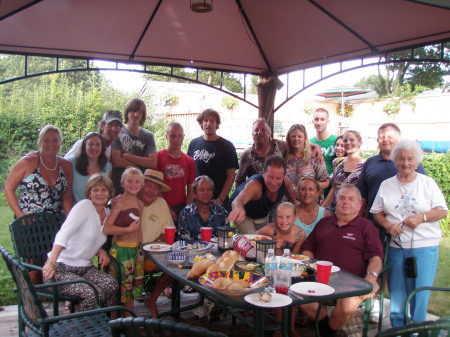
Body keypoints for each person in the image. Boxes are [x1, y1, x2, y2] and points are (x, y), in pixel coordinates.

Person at [370, 140, 447, 327]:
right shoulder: (386, 185)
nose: (405, 163)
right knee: (397, 293)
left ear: (417, 161)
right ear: (395, 160)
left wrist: (422, 217)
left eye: (410, 159)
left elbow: (442, 211)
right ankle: (398, 329)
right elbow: (377, 212)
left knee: (419, 293)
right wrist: (388, 225)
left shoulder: (427, 183)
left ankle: (417, 329)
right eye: (401, 159)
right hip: (397, 246)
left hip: (424, 246)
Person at [357, 123, 425, 323]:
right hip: (374, 223)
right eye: (381, 136)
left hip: (401, 228)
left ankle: (395, 306)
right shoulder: (370, 163)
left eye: (390, 136)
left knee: (395, 269)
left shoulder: (412, 163)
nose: (385, 139)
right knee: (374, 261)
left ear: (398, 139)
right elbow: (362, 195)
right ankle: (376, 304)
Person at [300, 184, 383, 337]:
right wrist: (307, 267)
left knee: (348, 303)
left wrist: (371, 278)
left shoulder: (366, 227)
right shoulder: (324, 223)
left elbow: (375, 257)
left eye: (351, 199)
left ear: (359, 205)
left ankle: (327, 331)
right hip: (320, 277)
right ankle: (328, 329)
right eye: (342, 198)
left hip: (352, 282)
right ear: (336, 202)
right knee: (299, 294)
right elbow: (308, 248)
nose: (346, 202)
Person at [41, 173, 118, 311]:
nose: (100, 193)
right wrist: (51, 262)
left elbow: (90, 237)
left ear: (110, 193)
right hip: (60, 268)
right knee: (91, 292)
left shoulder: (107, 214)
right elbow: (63, 235)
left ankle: (95, 319)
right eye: (95, 190)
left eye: (104, 190)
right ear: (89, 193)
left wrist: (101, 251)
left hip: (85, 268)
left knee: (111, 284)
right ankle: (80, 327)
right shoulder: (84, 206)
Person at [4, 124, 73, 218]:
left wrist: (70, 220)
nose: (51, 144)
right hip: (28, 222)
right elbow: (8, 189)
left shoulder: (66, 165)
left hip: (54, 223)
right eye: (46, 140)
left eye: (55, 140)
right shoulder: (27, 161)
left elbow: (67, 196)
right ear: (40, 142)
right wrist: (20, 216)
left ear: (60, 143)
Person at [104, 167, 144, 314]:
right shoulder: (118, 203)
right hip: (120, 250)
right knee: (118, 287)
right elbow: (108, 228)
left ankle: (129, 318)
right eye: (130, 181)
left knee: (132, 286)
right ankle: (114, 319)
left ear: (141, 184)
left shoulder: (140, 204)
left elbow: (139, 228)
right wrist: (127, 230)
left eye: (137, 181)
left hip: (136, 250)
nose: (134, 184)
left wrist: (142, 248)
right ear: (122, 183)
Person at [187, 108, 239, 210]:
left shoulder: (227, 146)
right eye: (205, 120)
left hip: (218, 202)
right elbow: (189, 174)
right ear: (201, 124)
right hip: (197, 202)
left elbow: (231, 176)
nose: (208, 124)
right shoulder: (194, 144)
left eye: (212, 120)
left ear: (217, 124)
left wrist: (220, 199)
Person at [229, 155, 290, 234]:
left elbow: (291, 196)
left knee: (264, 240)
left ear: (283, 176)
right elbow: (238, 200)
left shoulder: (286, 182)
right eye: (270, 177)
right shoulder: (255, 185)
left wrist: (295, 203)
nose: (274, 183)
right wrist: (238, 207)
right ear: (263, 173)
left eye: (278, 178)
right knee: (251, 242)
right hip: (244, 216)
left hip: (263, 215)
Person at [111, 98, 157, 195]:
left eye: (139, 111)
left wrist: (128, 156)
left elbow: (152, 163)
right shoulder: (118, 132)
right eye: (133, 110)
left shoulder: (148, 136)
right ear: (127, 112)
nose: (136, 114)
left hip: (140, 190)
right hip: (119, 189)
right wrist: (143, 161)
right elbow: (116, 162)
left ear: (143, 115)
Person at [156, 122, 196, 222]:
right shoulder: (158, 157)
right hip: (160, 204)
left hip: (181, 208)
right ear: (166, 137)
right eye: (172, 136)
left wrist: (186, 210)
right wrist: (167, 209)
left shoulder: (189, 161)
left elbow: (190, 189)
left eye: (179, 136)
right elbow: (155, 186)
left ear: (183, 137)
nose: (176, 139)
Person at [235, 118, 286, 187]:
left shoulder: (281, 145)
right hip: (257, 196)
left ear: (269, 132)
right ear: (252, 135)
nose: (259, 132)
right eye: (256, 130)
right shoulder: (246, 155)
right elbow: (239, 181)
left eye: (263, 129)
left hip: (280, 194)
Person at [322, 130, 365, 211]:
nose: (348, 143)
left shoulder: (366, 165)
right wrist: (322, 209)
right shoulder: (337, 162)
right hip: (336, 208)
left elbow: (365, 195)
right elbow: (334, 188)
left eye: (351, 140)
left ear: (360, 143)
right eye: (345, 140)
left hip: (354, 210)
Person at [285, 124, 329, 201]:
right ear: (289, 138)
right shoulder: (284, 155)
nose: (296, 139)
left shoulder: (314, 156)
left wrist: (309, 187)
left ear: (305, 138)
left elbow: (326, 182)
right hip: (290, 202)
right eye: (293, 136)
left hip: (311, 202)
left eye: (299, 136)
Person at [178, 175, 229, 241]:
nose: (206, 193)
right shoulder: (185, 213)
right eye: (201, 190)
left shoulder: (222, 212)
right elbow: (181, 242)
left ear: (212, 193)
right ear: (194, 194)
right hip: (192, 251)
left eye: (209, 189)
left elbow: (227, 239)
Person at [66, 132, 112, 204]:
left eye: (97, 144)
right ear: (84, 146)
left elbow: (107, 195)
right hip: (75, 210)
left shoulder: (107, 167)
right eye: (91, 144)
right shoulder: (71, 163)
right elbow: (66, 195)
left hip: (98, 211)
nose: (94, 147)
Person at [310, 108, 338, 179]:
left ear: (328, 121)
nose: (319, 123)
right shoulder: (309, 143)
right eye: (316, 119)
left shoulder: (336, 141)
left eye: (322, 119)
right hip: (315, 184)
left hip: (333, 185)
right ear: (313, 121)